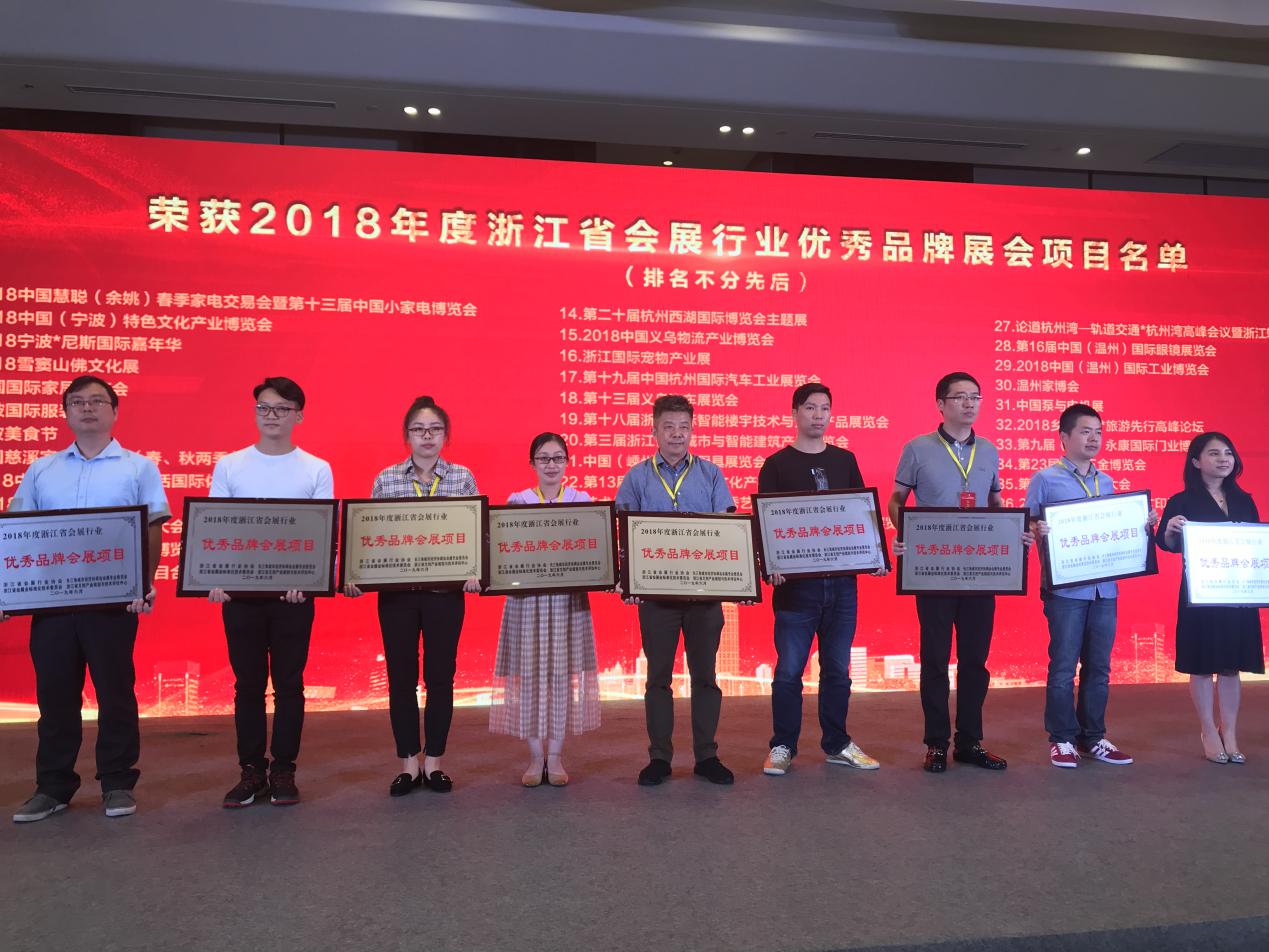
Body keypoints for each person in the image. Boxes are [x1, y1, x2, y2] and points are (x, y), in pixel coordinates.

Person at [6, 375, 169, 823]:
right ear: (65, 413)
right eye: (77, 402)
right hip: (53, 604)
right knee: (55, 696)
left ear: (114, 411)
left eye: (97, 401)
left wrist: (143, 583)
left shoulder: (138, 468)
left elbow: (152, 527)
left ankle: (116, 782)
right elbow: (16, 533)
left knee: (115, 694)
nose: (87, 408)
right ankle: (53, 786)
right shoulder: (42, 469)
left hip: (113, 604)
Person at [889, 371, 1031, 774]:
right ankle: (936, 743)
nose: (969, 404)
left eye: (975, 397)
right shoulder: (917, 448)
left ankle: (970, 741)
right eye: (960, 397)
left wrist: (1012, 535)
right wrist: (905, 533)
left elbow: (995, 503)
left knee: (975, 661)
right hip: (934, 569)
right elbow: (897, 499)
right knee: (935, 659)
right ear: (941, 404)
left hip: (981, 571)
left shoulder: (989, 451)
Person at [346, 395, 481, 797]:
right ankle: (408, 763)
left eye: (435, 429)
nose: (427, 436)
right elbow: (371, 537)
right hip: (397, 597)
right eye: (419, 429)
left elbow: (475, 535)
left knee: (441, 678)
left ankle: (434, 762)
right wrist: (356, 574)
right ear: (407, 435)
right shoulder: (387, 479)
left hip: (444, 596)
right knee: (401, 679)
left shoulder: (462, 478)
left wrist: (476, 571)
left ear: (445, 435)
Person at [211, 377, 334, 808]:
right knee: (247, 686)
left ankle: (283, 770)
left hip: (293, 597)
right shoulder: (230, 466)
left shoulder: (316, 468)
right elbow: (215, 528)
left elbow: (321, 534)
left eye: (282, 409)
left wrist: (310, 579)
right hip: (240, 596)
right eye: (264, 408)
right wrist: (215, 578)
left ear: (299, 415)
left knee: (289, 685)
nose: (272, 416)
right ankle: (251, 772)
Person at [759, 382, 885, 777]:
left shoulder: (845, 460)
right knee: (788, 671)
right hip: (796, 590)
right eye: (810, 407)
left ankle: (837, 743)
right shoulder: (776, 465)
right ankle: (782, 745)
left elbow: (861, 514)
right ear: (794, 413)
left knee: (838, 671)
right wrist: (771, 563)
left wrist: (875, 555)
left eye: (825, 408)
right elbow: (766, 525)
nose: (818, 415)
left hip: (842, 586)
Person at [615, 394, 737, 786]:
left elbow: (728, 530)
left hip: (704, 597)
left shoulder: (711, 474)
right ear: (654, 430)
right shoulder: (637, 477)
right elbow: (622, 534)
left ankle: (707, 756)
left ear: (692, 430)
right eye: (668, 426)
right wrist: (628, 579)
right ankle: (660, 758)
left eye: (684, 427)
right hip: (656, 599)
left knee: (706, 677)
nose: (677, 434)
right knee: (658, 679)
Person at [1026, 403, 1156, 769]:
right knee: (1063, 667)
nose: (1093, 438)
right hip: (1065, 591)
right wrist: (1037, 528)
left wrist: (1141, 524)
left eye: (1098, 432)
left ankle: (1093, 737)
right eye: (1085, 431)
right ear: (1064, 437)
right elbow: (1027, 524)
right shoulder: (1045, 479)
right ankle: (1062, 739)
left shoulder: (1108, 482)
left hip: (1105, 590)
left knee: (1099, 667)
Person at [489, 432, 601, 787]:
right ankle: (536, 757)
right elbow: (504, 552)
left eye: (557, 458)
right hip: (527, 601)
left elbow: (594, 552)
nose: (551, 465)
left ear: (567, 462)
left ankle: (556, 756)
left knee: (562, 679)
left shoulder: (582, 501)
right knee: (529, 678)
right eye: (543, 458)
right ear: (532, 463)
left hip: (568, 602)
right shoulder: (518, 501)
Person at [1155, 432, 1263, 764]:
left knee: (1231, 667)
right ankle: (1208, 730)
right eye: (1214, 453)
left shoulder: (1244, 499)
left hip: (1237, 593)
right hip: (1200, 596)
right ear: (1196, 462)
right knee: (1202, 665)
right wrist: (1171, 530)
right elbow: (1167, 544)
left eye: (1228, 453)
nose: (1223, 459)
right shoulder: (1182, 501)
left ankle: (1229, 732)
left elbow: (1256, 545)